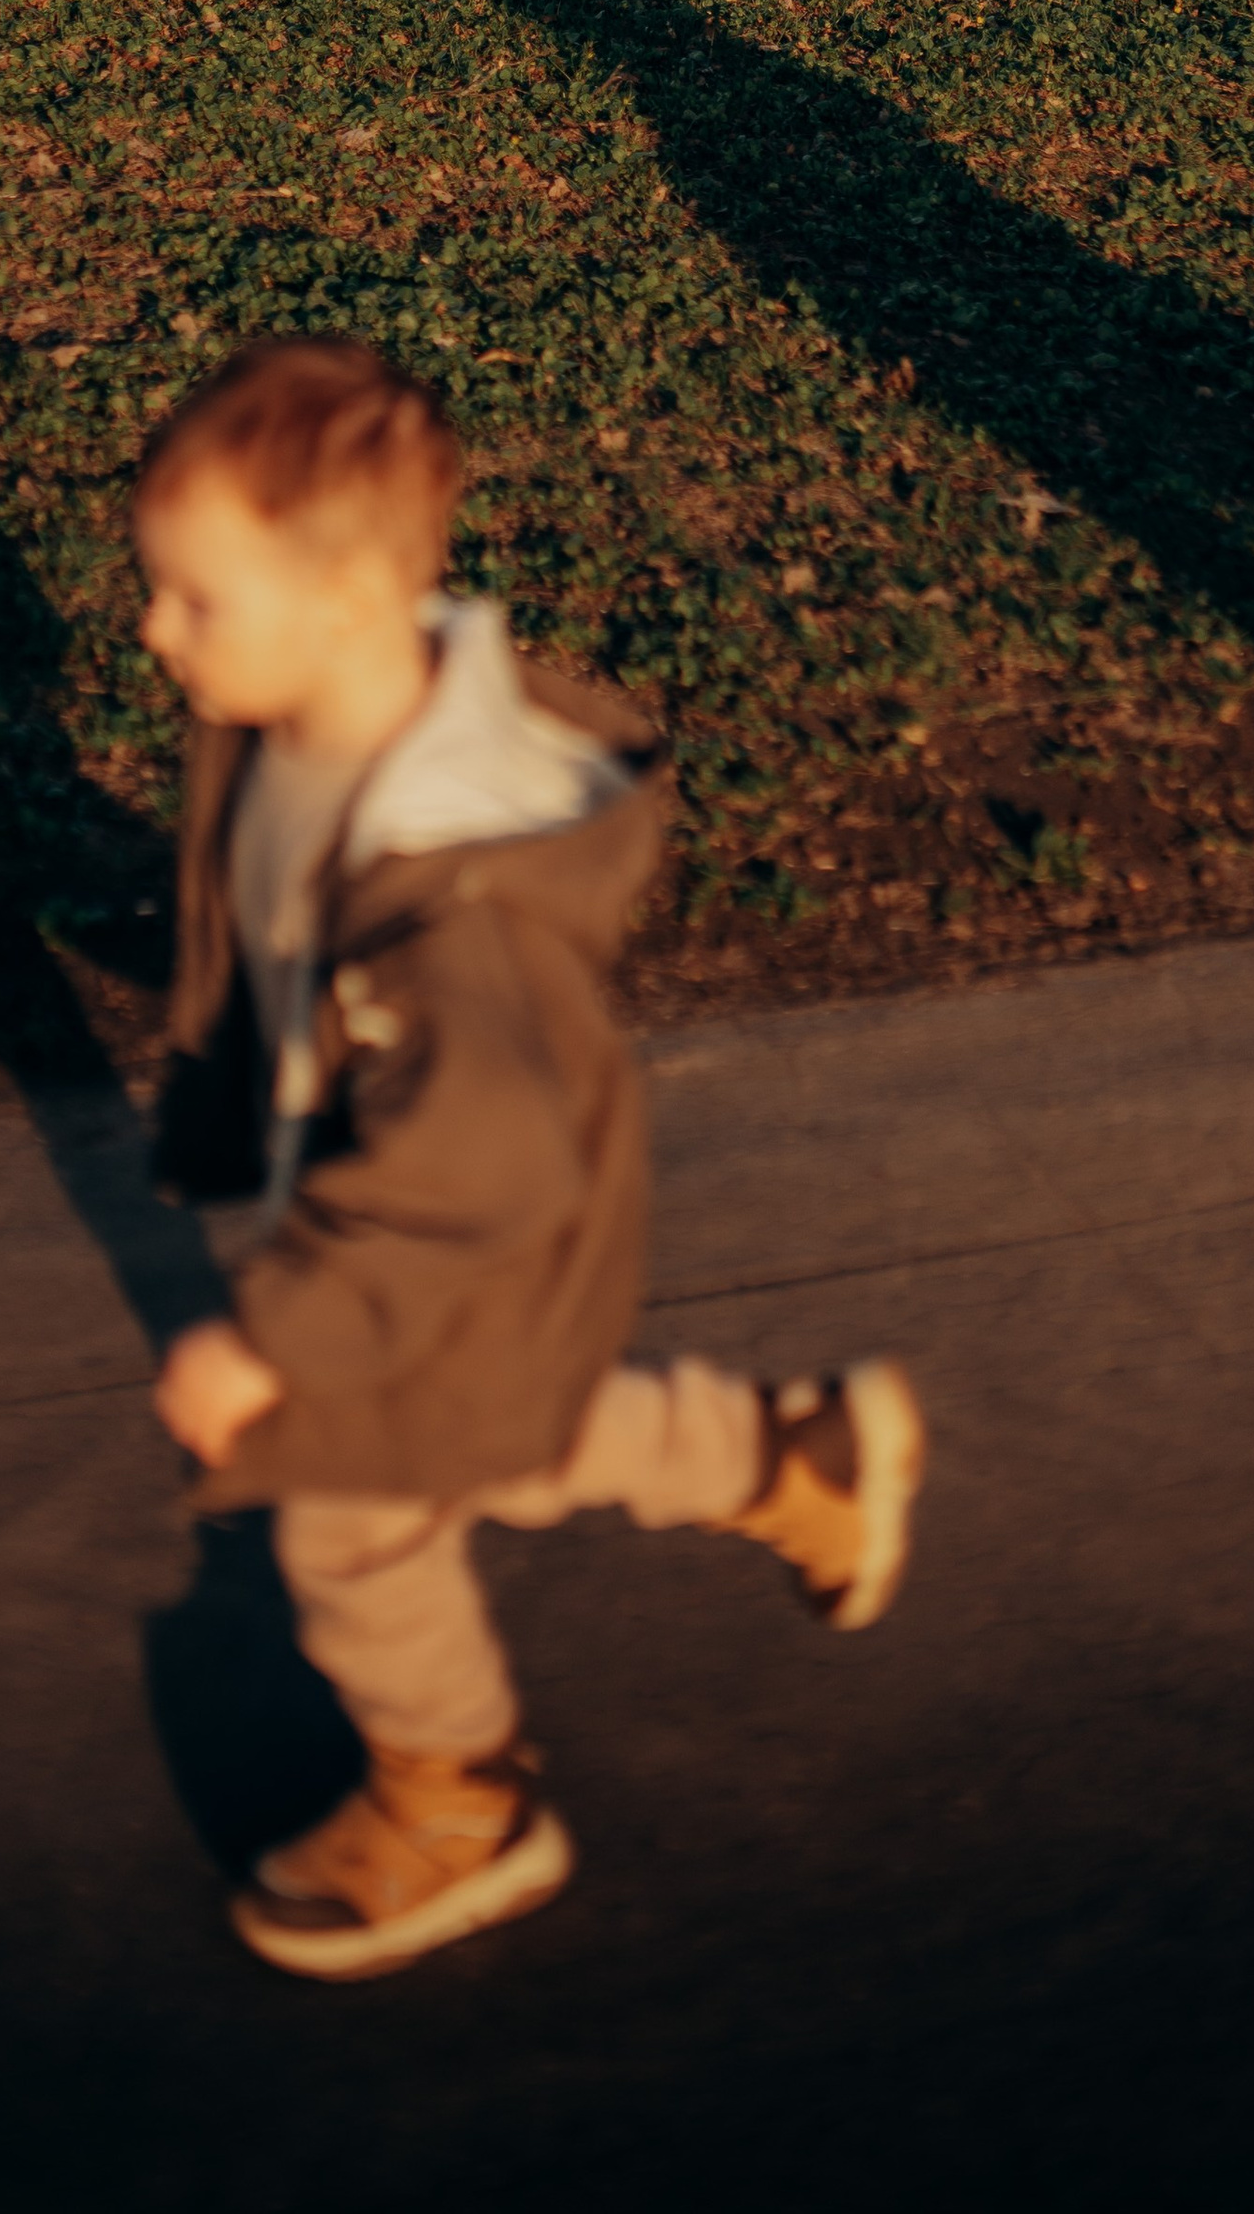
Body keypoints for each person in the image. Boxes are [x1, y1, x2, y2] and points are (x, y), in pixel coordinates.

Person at [135, 336, 926, 1982]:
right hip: (416, 1201)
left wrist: (272, 1337)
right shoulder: (321, 704)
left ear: (351, 596)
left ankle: (461, 1807)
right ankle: (799, 1458)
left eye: (198, 600)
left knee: (351, 1520)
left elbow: (468, 1173)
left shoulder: (458, 897)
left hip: (456, 1231)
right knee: (507, 1442)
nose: (158, 632)